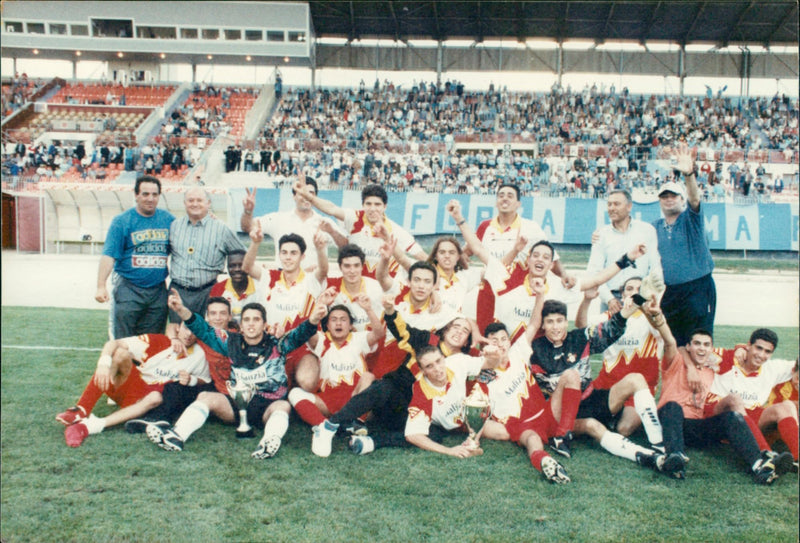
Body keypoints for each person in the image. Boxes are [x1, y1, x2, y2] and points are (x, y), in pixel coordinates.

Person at [146, 289, 331, 458]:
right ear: (240, 325)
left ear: (264, 324)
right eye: (247, 320)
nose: (251, 324)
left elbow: (300, 333)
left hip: (267, 406)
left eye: (256, 320)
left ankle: (268, 442)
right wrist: (180, 310)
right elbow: (202, 328)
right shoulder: (230, 342)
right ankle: (177, 436)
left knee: (283, 406)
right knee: (205, 396)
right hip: (237, 405)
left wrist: (314, 317)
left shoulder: (278, 344)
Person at [450, 199, 647, 342]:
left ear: (552, 264)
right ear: (527, 260)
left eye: (546, 257)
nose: (540, 260)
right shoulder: (506, 276)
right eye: (535, 255)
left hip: (539, 359)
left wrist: (627, 258)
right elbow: (477, 247)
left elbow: (596, 280)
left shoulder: (557, 286)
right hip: (506, 353)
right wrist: (459, 218)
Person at [315, 297, 476, 457]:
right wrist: (390, 311)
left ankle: (370, 442)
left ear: (467, 341)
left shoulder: (465, 362)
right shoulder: (426, 340)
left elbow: (488, 364)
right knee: (384, 386)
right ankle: (330, 426)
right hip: (393, 401)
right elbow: (403, 330)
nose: (458, 332)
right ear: (446, 330)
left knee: (435, 435)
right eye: (455, 327)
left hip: (414, 415)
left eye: (465, 331)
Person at [528, 294, 666, 465]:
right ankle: (644, 456)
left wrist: (630, 308)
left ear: (566, 321)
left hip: (589, 400)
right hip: (561, 412)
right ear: (542, 324)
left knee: (636, 379)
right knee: (592, 424)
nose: (555, 327)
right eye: (550, 322)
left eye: (559, 321)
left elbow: (610, 331)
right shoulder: (533, 350)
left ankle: (659, 445)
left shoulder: (579, 337)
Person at [656, 325, 792, 484]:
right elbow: (673, 344)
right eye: (697, 344)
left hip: (699, 427)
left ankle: (760, 466)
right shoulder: (676, 362)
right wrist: (690, 368)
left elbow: (733, 355)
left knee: (731, 417)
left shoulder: (712, 366)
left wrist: (741, 348)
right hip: (673, 423)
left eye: (706, 345)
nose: (702, 349)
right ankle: (675, 457)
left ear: (712, 350)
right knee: (672, 406)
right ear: (688, 347)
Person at [56, 324, 208, 447]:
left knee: (155, 397)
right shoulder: (159, 341)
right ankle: (81, 409)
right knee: (121, 353)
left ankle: (87, 427)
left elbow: (205, 380)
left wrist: (192, 379)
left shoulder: (200, 354)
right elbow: (114, 343)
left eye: (195, 331)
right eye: (186, 328)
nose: (189, 334)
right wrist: (103, 363)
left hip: (147, 401)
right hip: (130, 386)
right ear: (178, 328)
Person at [478, 305, 577, 484]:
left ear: (509, 341)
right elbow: (474, 408)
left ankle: (563, 436)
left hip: (545, 413)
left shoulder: (517, 352)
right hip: (521, 425)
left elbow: (534, 323)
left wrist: (539, 295)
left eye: (503, 339)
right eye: (494, 341)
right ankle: (546, 462)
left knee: (572, 377)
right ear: (486, 346)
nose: (500, 344)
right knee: (533, 439)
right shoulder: (482, 375)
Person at [124, 297, 235, 433]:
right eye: (213, 313)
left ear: (230, 317)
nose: (217, 318)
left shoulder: (236, 337)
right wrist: (175, 339)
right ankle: (159, 419)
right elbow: (173, 326)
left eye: (222, 313)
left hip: (232, 391)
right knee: (176, 385)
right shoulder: (200, 334)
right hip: (212, 385)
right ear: (207, 317)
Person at [288, 298, 384, 457]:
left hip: (355, 400)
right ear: (327, 324)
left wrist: (368, 309)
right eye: (333, 320)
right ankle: (325, 427)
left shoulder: (359, 338)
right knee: (294, 393)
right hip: (327, 400)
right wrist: (319, 307)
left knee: (368, 376)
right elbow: (305, 332)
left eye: (343, 319)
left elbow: (379, 333)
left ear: (351, 325)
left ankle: (356, 422)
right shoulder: (321, 339)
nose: (338, 323)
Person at [574, 277, 662, 437]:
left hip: (640, 387)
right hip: (607, 383)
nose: (634, 292)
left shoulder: (650, 318)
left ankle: (622, 416)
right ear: (622, 295)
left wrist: (649, 307)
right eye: (629, 289)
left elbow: (661, 330)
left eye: (639, 289)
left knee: (624, 429)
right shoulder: (610, 317)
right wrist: (586, 300)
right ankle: (610, 416)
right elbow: (581, 326)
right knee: (574, 415)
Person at [243, 227, 328, 392]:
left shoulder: (311, 280)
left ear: (302, 256)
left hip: (303, 346)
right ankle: (286, 384)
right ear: (279, 254)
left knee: (308, 382)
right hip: (273, 345)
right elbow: (247, 267)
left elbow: (324, 270)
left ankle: (296, 384)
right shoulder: (269, 277)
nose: (288, 257)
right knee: (265, 389)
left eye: (293, 253)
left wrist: (320, 250)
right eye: (284, 252)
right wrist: (255, 243)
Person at [293, 179, 426, 278]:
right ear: (363, 205)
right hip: (354, 286)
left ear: (384, 207)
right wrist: (308, 196)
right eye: (368, 204)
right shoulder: (355, 218)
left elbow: (423, 257)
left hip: (383, 292)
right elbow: (331, 208)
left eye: (377, 204)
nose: (372, 209)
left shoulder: (396, 231)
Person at [706, 328, 799, 467]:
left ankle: (797, 456)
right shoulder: (727, 358)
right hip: (721, 417)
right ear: (748, 345)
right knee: (735, 399)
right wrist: (690, 368)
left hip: (751, 420)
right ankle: (765, 453)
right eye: (758, 348)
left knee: (787, 406)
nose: (761, 355)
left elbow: (795, 365)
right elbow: (690, 351)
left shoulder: (772, 368)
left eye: (767, 352)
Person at [96, 176, 174, 338]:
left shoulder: (168, 220)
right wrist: (101, 285)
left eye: (154, 194)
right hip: (129, 288)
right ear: (136, 195)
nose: (150, 199)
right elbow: (109, 256)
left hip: (158, 290)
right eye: (145, 194)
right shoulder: (122, 221)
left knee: (153, 343)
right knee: (124, 342)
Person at [653, 144, 715, 346]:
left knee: (698, 342)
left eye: (674, 196)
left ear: (682, 199)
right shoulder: (655, 227)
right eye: (665, 197)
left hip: (697, 288)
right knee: (673, 343)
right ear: (660, 202)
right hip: (671, 291)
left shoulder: (691, 219)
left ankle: (699, 377)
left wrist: (688, 174)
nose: (669, 200)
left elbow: (695, 199)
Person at [168, 187, 245, 341]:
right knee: (177, 337)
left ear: (208, 203)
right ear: (184, 203)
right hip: (178, 290)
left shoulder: (221, 229)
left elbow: (241, 254)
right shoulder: (174, 226)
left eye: (199, 200)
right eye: (191, 200)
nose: (195, 204)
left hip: (207, 291)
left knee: (205, 338)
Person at [240, 176, 345, 272]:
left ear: (315, 197)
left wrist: (333, 232)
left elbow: (345, 247)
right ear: (294, 196)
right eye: (301, 193)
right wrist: (248, 212)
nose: (306, 197)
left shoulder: (325, 222)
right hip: (284, 283)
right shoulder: (279, 219)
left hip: (314, 283)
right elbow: (247, 227)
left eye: (310, 193)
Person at [404, 345, 493, 458]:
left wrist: (494, 354)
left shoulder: (457, 361)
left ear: (443, 358)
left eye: (438, 361)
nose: (437, 368)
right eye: (429, 366)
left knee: (502, 433)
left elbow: (490, 363)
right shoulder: (422, 394)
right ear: (423, 371)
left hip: (474, 406)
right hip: (454, 424)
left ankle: (474, 440)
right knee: (500, 432)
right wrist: (449, 450)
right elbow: (412, 435)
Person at [587, 189, 662, 312]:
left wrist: (651, 296)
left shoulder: (647, 230)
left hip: (640, 297)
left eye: (617, 204)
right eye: (609, 204)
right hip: (612, 299)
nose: (611, 208)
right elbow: (594, 271)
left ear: (629, 206)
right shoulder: (601, 234)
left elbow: (655, 266)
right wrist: (609, 299)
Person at [208, 250, 261, 323]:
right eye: (232, 266)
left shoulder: (260, 288)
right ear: (227, 268)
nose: (237, 269)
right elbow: (212, 319)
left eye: (241, 265)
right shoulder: (218, 289)